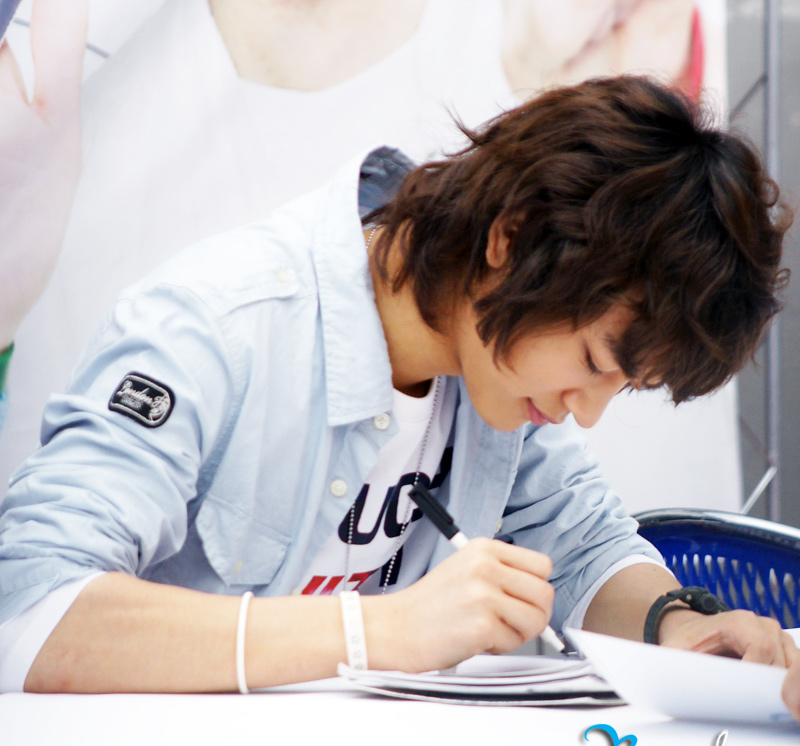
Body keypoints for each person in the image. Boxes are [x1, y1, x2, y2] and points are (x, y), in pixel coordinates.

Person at [0, 0, 722, 513]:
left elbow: (584, 529)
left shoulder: (547, 75)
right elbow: (46, 560)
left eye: (610, 374)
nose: (587, 406)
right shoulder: (72, 193)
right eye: (595, 363)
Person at [0, 76, 794, 694]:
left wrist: (677, 624)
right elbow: (27, 609)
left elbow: (586, 547)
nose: (583, 413)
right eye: (591, 362)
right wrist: (373, 632)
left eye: (621, 386)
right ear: (511, 238)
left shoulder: (497, 375)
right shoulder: (216, 328)